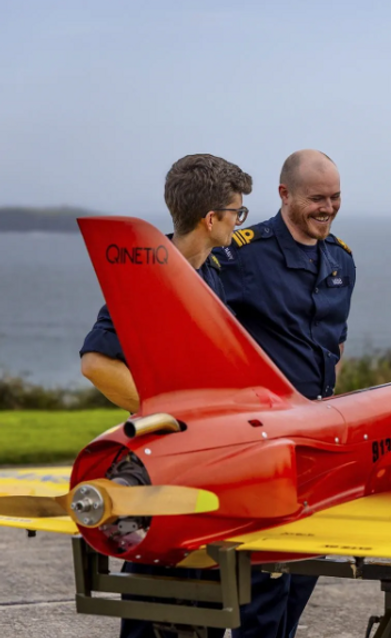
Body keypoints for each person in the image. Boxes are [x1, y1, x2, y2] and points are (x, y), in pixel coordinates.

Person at [79, 153, 253, 638]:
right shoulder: (151, 275)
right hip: (167, 457)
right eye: (236, 212)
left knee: (203, 603)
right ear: (211, 218)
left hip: (210, 459)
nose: (240, 223)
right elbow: (95, 363)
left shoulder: (212, 271)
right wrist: (172, 417)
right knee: (155, 601)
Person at [214, 149, 355, 638]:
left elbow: (333, 341)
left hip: (318, 451)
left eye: (335, 197)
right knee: (261, 591)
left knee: (302, 574)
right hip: (263, 448)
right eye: (317, 198)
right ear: (284, 196)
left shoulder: (340, 258)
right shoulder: (240, 252)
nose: (328, 207)